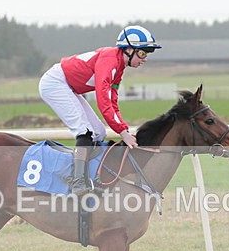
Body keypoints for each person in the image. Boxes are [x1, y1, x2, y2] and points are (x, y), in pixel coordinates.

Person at [39, 25, 161, 195]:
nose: (144, 58)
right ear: (128, 50)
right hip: (55, 83)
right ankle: (77, 182)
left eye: (147, 54)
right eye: (142, 53)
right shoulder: (110, 60)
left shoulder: (119, 66)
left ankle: (89, 176)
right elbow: (103, 101)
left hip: (69, 86)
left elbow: (112, 101)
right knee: (85, 131)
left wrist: (123, 129)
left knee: (98, 132)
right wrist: (122, 133)